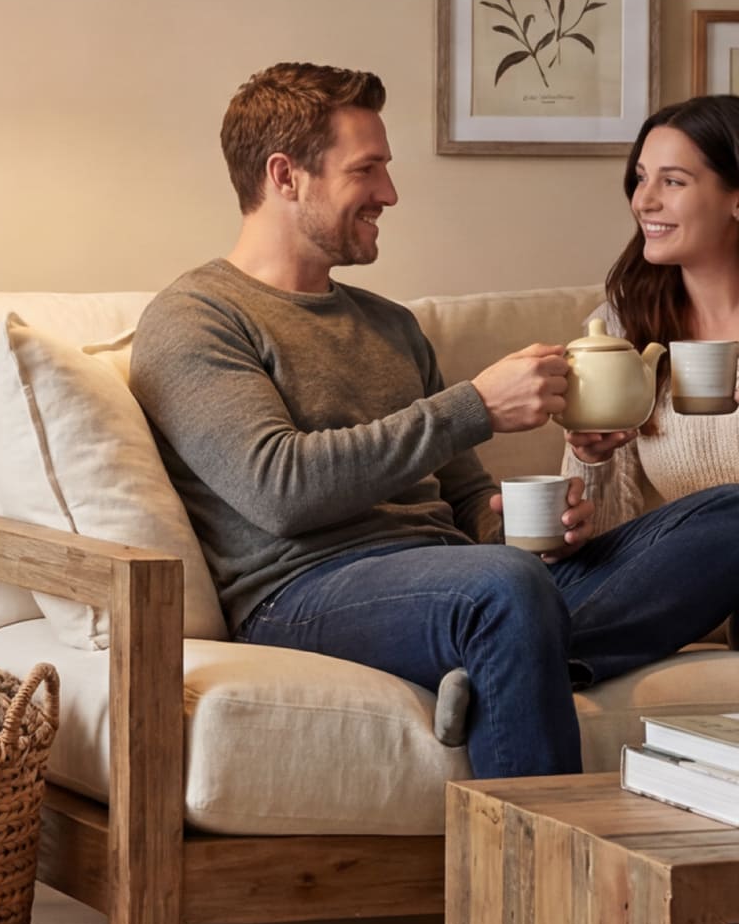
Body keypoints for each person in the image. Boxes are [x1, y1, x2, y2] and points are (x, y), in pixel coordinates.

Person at [128, 63, 739, 780]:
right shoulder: (196, 318)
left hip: (467, 581)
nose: (389, 192)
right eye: (368, 170)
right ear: (285, 176)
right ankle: (537, 887)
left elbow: (466, 504)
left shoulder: (391, 326)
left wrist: (526, 524)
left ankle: (507, 660)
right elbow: (280, 490)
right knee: (503, 590)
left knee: (724, 518)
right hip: (306, 591)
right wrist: (475, 406)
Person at [561, 94, 739, 537]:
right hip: (683, 587)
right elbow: (601, 545)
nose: (644, 201)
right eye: (641, 179)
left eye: (673, 182)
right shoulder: (623, 329)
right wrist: (591, 459)